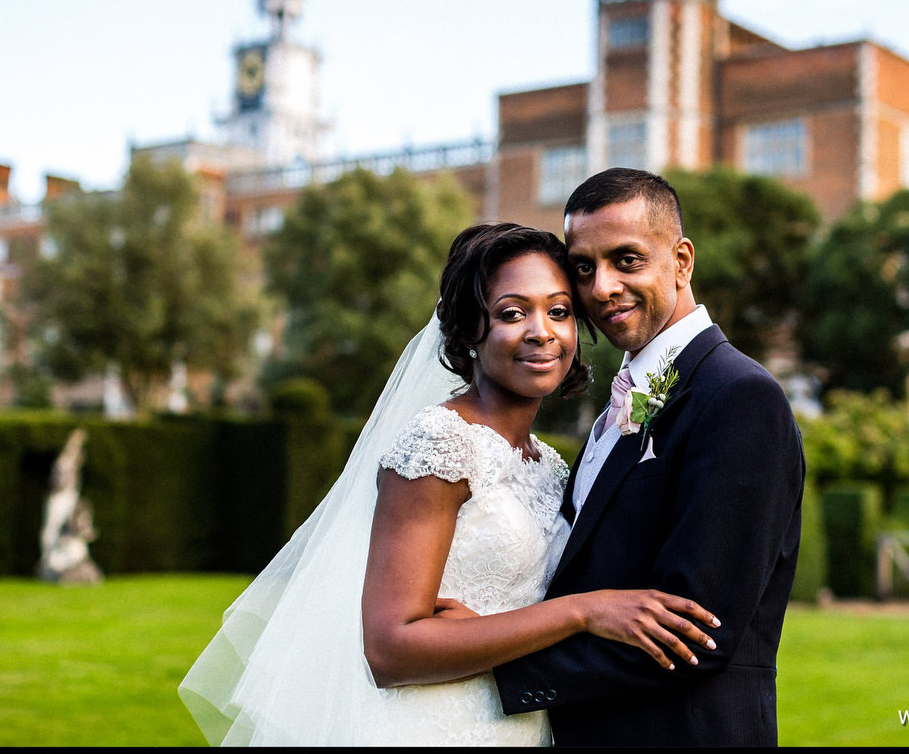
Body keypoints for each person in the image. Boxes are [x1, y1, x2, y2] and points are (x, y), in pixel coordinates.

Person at [179, 222, 719, 746]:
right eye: (512, 313)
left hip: (522, 723)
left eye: (559, 311)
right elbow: (391, 649)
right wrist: (582, 612)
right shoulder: (440, 445)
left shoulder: (551, 465)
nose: (542, 331)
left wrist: (499, 625)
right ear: (469, 331)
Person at [493, 168, 807, 746]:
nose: (602, 287)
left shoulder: (738, 396)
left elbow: (695, 631)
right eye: (583, 267)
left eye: (627, 260)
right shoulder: (634, 395)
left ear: (682, 261)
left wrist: (491, 671)